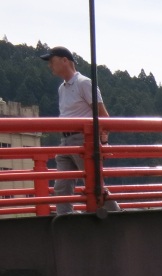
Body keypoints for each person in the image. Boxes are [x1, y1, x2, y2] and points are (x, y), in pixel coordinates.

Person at [40, 45, 120, 214]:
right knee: (62, 185)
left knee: (95, 185)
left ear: (64, 61)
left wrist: (102, 140)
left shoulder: (84, 83)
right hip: (66, 141)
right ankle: (65, 218)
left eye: (51, 61)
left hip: (84, 140)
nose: (49, 66)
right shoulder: (62, 88)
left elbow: (103, 115)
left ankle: (117, 216)